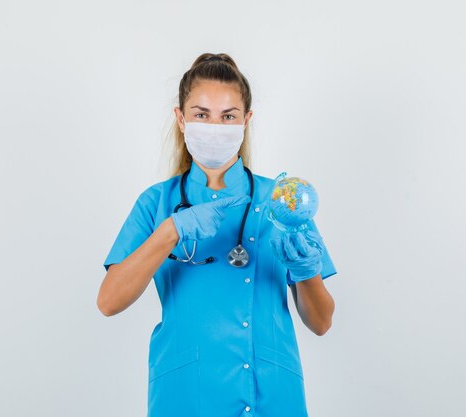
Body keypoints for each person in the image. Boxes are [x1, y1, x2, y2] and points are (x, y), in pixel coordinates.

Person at [97, 52, 337, 417]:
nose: (215, 126)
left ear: (246, 121)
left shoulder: (283, 202)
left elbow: (321, 322)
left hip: (271, 395)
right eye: (201, 114)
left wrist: (306, 272)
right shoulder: (157, 203)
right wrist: (172, 230)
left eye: (228, 116)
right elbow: (108, 302)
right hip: (186, 396)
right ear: (180, 118)